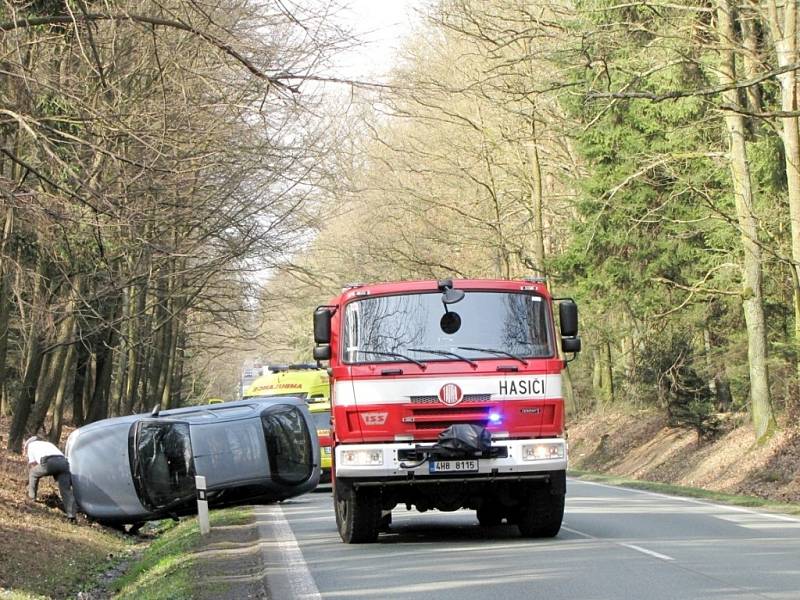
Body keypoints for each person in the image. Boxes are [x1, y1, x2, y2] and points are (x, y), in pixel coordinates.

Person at [24, 436, 77, 522]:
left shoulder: (31, 446)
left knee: (33, 473)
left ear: (27, 445)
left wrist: (29, 483)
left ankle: (31, 498)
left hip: (50, 462)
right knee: (65, 490)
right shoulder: (48, 444)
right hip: (64, 463)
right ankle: (72, 516)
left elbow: (33, 465)